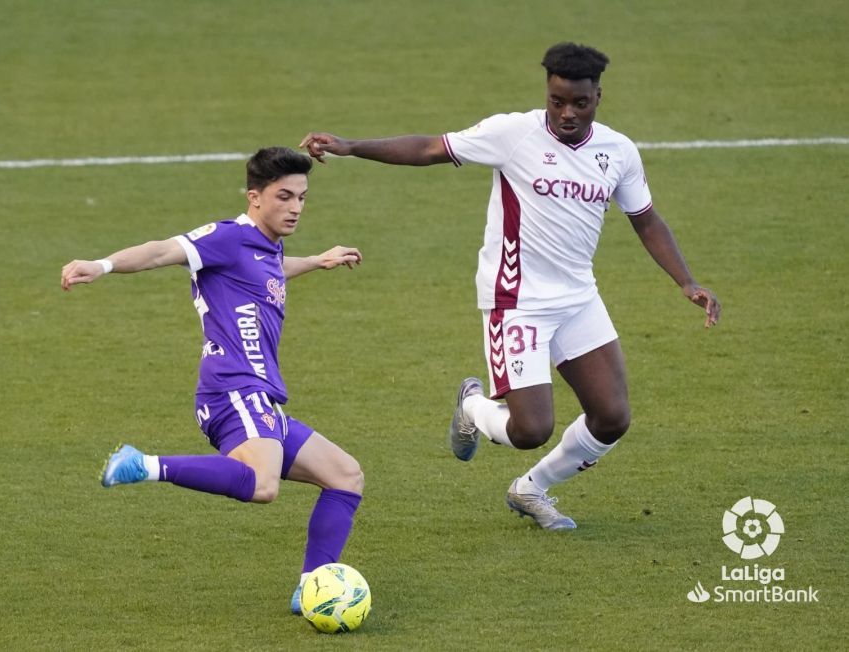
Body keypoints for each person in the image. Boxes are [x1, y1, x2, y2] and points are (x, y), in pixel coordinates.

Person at [300, 42, 720, 530]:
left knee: (612, 417)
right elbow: (430, 148)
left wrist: (686, 281)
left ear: (598, 97)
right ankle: (473, 406)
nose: (566, 113)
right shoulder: (513, 134)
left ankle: (531, 489)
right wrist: (352, 146)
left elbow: (646, 220)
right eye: (556, 100)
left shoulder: (618, 151)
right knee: (531, 429)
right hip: (515, 301)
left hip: (578, 297)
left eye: (578, 103)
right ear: (547, 92)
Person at [61, 147, 365, 612]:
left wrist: (316, 260)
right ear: (255, 197)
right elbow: (163, 251)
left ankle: (310, 589)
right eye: (284, 196)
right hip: (234, 389)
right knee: (263, 485)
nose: (296, 208)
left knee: (345, 476)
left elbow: (268, 271)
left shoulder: (266, 246)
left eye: (302, 198)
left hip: (258, 396)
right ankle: (144, 464)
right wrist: (101, 266)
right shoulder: (227, 237)